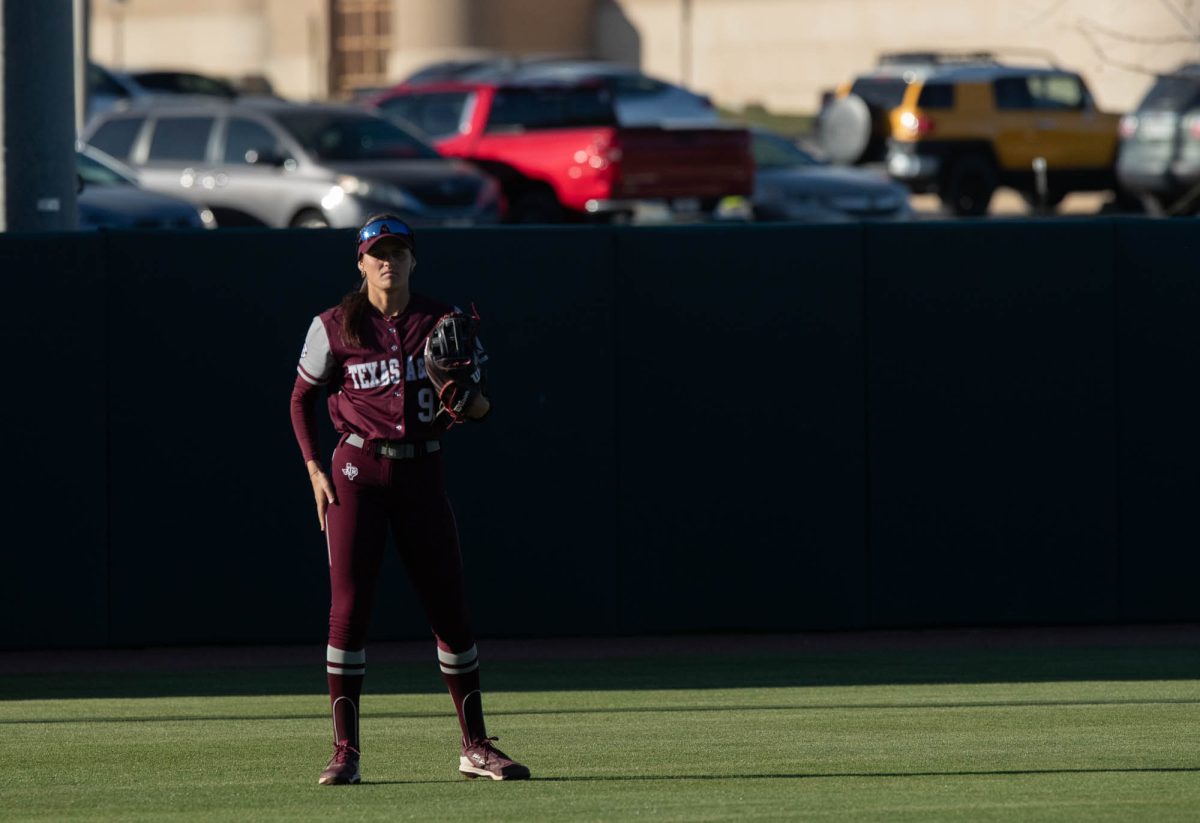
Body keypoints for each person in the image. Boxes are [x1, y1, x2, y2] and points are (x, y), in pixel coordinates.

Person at [289, 213, 530, 785]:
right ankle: (345, 751)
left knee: (450, 609)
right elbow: (300, 398)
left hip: (422, 473)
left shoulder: (440, 321)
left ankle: (475, 747)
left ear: (413, 260)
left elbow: (483, 409)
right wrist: (313, 468)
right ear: (361, 262)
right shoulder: (333, 325)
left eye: (397, 251)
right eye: (377, 252)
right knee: (348, 611)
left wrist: (468, 399)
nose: (387, 261)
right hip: (357, 471)